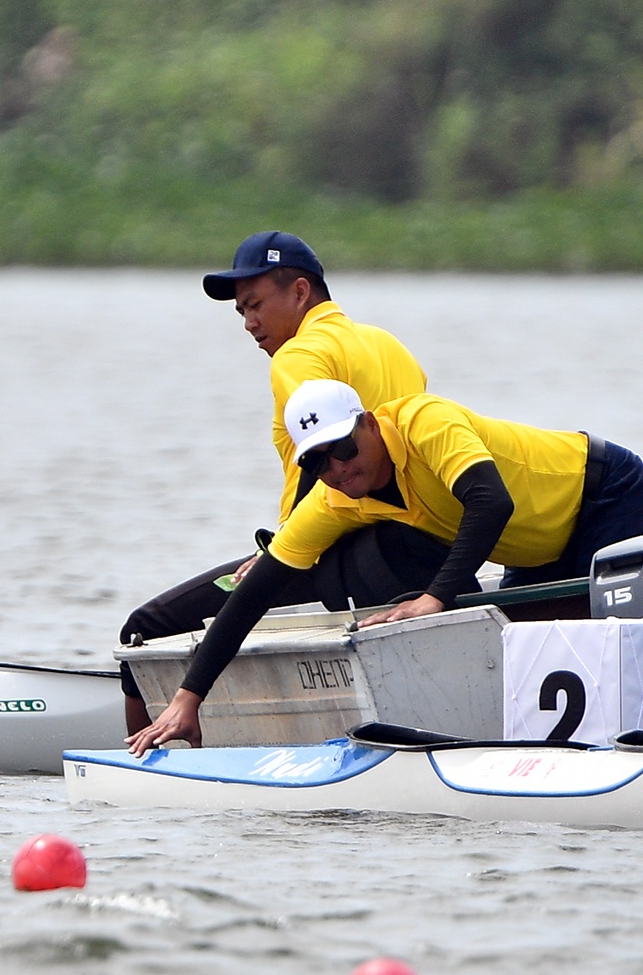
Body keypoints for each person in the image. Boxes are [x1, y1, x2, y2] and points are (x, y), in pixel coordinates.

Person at [126, 378, 643, 754]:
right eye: (315, 462)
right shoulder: (334, 498)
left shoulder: (426, 421)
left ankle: (638, 741)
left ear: (370, 424)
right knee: (526, 653)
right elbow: (253, 594)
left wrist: (433, 597)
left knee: (590, 643)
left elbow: (491, 503)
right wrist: (188, 699)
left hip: (603, 491)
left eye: (342, 448)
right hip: (532, 546)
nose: (336, 469)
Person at [118, 231, 437, 731]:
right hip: (422, 546)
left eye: (256, 304)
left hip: (346, 551)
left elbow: (326, 455)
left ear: (301, 292)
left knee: (146, 626)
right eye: (241, 312)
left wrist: (280, 549)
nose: (249, 323)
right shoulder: (389, 345)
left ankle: (140, 751)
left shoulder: (298, 357)